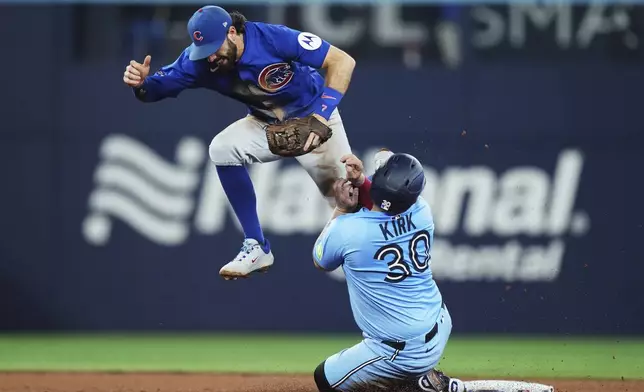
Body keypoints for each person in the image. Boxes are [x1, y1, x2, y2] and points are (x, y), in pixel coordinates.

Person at [122, 5, 356, 280]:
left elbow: (342, 62)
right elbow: (156, 89)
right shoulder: (197, 61)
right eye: (203, 50)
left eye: (214, 47)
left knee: (351, 205)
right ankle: (256, 245)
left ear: (232, 32)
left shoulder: (272, 38)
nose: (210, 57)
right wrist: (141, 84)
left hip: (316, 122)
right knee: (221, 148)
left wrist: (321, 116)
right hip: (265, 124)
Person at [312, 151, 465, 392]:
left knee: (325, 378)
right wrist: (362, 182)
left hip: (400, 350)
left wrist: (341, 209)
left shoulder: (350, 231)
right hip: (438, 322)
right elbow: (387, 203)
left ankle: (419, 388)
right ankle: (418, 382)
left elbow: (321, 260)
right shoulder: (421, 211)